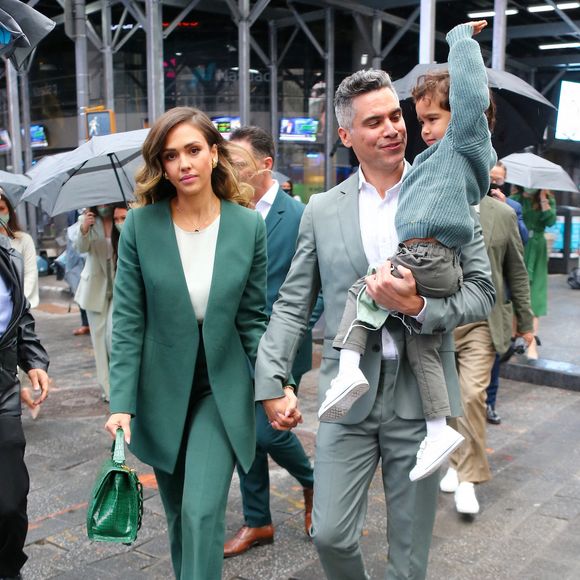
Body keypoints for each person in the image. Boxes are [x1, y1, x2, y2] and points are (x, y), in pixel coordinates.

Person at [254, 67, 495, 580]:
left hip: (422, 398)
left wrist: (419, 309)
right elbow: (294, 303)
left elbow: (483, 293)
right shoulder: (321, 209)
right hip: (349, 394)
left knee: (410, 553)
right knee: (330, 534)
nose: (392, 128)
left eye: (395, 116)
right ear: (346, 135)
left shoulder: (448, 191)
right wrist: (273, 379)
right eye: (374, 121)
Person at [322, 20, 495, 482]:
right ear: (347, 134)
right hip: (429, 260)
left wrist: (459, 41)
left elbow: (473, 99)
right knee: (423, 346)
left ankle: (347, 370)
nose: (421, 131)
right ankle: (439, 431)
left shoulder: (463, 142)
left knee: (365, 292)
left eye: (429, 120)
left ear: (460, 116)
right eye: (419, 121)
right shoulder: (430, 166)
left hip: (429, 258)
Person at [104, 107, 268, 580]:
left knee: (200, 511)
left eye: (194, 150)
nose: (184, 164)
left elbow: (254, 318)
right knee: (178, 520)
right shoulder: (140, 226)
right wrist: (121, 402)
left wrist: (279, 383)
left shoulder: (246, 225)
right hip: (161, 390)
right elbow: (129, 320)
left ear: (215, 154)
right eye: (171, 155)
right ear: (162, 165)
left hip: (222, 384)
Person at [223, 126, 319, 557]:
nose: (229, 170)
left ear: (265, 165)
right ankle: (257, 521)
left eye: (237, 163)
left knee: (269, 432)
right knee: (243, 433)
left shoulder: (297, 215)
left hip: (281, 346)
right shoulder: (225, 213)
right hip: (234, 343)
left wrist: (298, 331)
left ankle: (314, 481)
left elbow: (319, 286)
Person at [439, 193, 534, 515]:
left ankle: (468, 478)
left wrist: (526, 321)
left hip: (484, 320)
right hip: (444, 319)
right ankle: (456, 460)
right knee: (450, 398)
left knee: (471, 396)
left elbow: (516, 272)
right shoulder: (438, 205)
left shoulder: (503, 214)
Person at [0, 233, 49, 580]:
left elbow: (19, 317)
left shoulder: (9, 257)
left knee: (10, 501)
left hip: (3, 390)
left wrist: (32, 359)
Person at [486, 161, 529, 425]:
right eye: (491, 179)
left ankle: (490, 402)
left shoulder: (512, 209)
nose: (494, 185)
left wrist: (504, 206)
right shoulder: (468, 202)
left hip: (498, 292)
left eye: (499, 181)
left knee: (494, 354)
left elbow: (522, 240)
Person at [0, 190, 43, 419]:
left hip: (17, 314)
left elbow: (30, 275)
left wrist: (18, 305)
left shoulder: (21, 240)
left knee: (15, 366)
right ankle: (23, 399)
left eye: (2, 209)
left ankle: (19, 400)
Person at [74, 204, 115, 402]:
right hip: (95, 287)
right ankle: (108, 389)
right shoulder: (87, 219)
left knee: (114, 338)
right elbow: (80, 248)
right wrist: (84, 229)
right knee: (99, 342)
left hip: (119, 286)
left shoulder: (122, 216)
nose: (103, 205)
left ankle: (122, 384)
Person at [510, 187, 557, 359]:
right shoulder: (514, 198)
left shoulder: (547, 199)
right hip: (519, 246)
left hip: (537, 250)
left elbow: (551, 221)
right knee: (515, 294)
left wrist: (544, 198)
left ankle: (531, 345)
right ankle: (514, 338)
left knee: (535, 298)